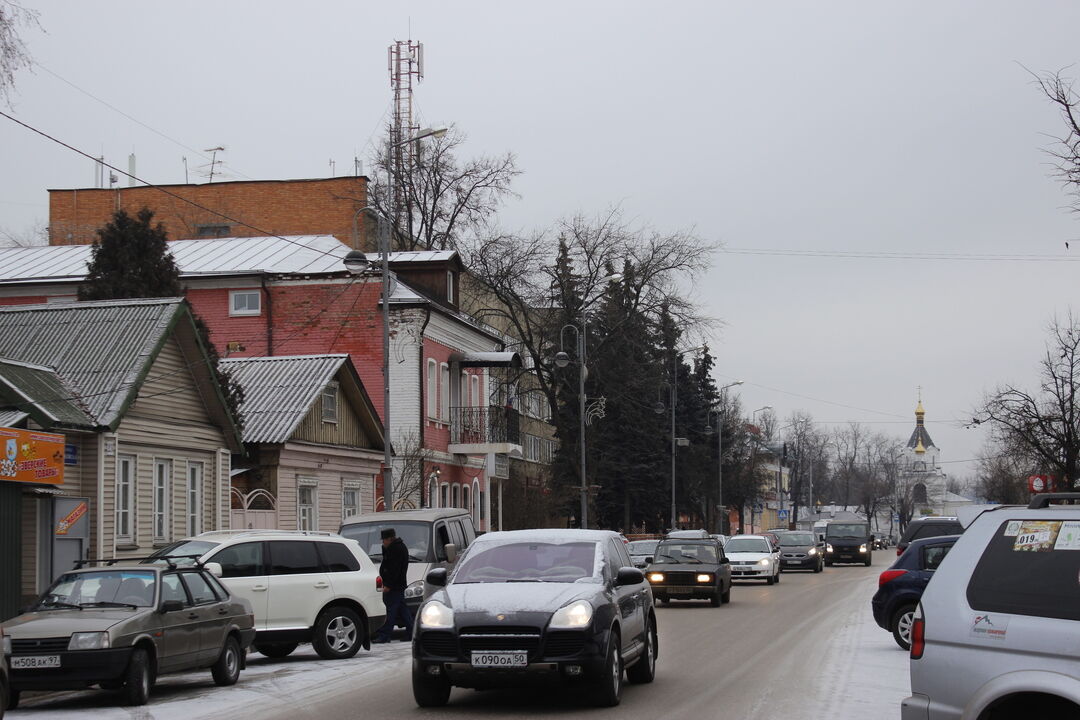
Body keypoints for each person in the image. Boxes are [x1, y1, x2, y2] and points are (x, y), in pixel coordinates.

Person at [373, 527, 413, 643]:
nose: (383, 542)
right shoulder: (396, 547)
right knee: (402, 609)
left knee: (389, 610)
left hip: (394, 586)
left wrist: (388, 585)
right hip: (398, 585)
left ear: (390, 539)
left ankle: (384, 635)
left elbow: (394, 569)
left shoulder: (396, 549)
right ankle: (411, 632)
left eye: (384, 540)